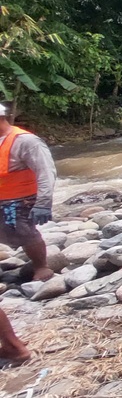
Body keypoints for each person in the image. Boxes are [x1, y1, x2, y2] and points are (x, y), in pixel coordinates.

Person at [0, 103, 56, 282]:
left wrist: (43, 204)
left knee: (25, 232)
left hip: (21, 199)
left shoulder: (26, 141)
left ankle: (41, 266)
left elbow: (46, 172)